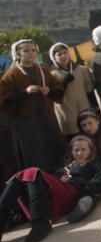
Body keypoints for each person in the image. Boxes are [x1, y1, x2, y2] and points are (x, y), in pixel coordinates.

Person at [0, 134, 101, 242]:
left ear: (90, 151)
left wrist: (81, 184)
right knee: (18, 180)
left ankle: (41, 222)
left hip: (72, 192)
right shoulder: (65, 166)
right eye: (76, 150)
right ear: (71, 151)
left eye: (83, 149)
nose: (80, 153)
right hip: (54, 195)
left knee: (32, 172)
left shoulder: (95, 165)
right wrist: (60, 178)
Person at [0, 39, 66, 173]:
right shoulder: (11, 75)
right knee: (33, 154)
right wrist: (25, 92)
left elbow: (58, 87)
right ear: (18, 54)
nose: (31, 53)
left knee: (54, 150)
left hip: (47, 118)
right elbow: (5, 100)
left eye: (33, 50)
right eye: (26, 51)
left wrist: (49, 91)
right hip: (25, 122)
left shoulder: (43, 69)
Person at [49, 42, 95, 137]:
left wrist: (95, 110)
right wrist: (65, 81)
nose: (63, 56)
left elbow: (90, 92)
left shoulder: (81, 70)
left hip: (84, 111)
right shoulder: (52, 75)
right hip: (67, 114)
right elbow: (55, 96)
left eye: (65, 52)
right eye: (59, 54)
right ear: (54, 57)